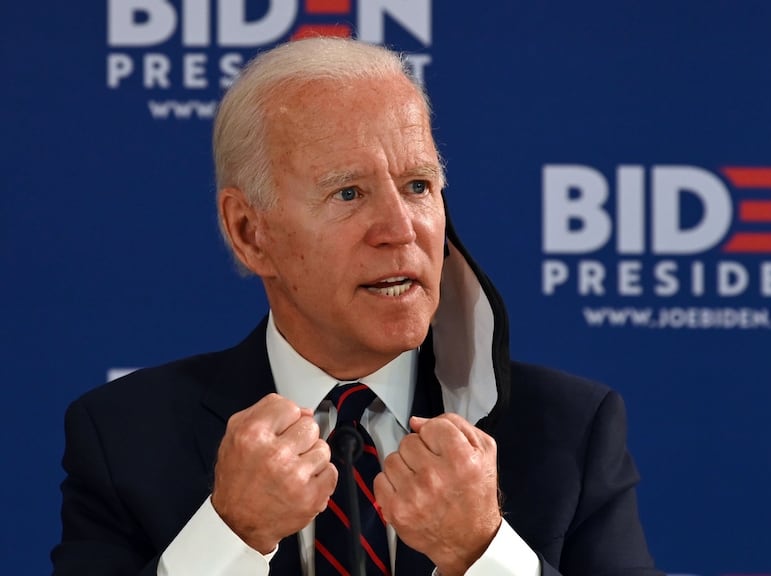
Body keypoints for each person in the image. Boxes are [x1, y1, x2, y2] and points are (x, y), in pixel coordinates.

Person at [52, 37, 660, 576]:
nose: (401, 229)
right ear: (249, 232)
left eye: (419, 186)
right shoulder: (123, 437)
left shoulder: (570, 430)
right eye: (348, 193)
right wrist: (230, 536)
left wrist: (484, 554)